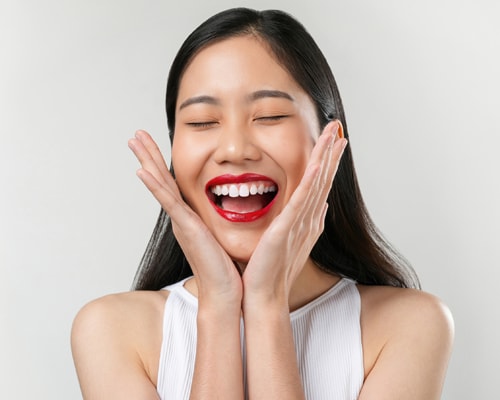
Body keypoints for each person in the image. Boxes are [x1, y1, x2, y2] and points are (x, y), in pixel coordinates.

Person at [71, 7, 454, 400]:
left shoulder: (410, 325)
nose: (235, 149)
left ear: (329, 140)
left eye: (269, 116)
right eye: (202, 122)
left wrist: (267, 305)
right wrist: (219, 306)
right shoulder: (110, 330)